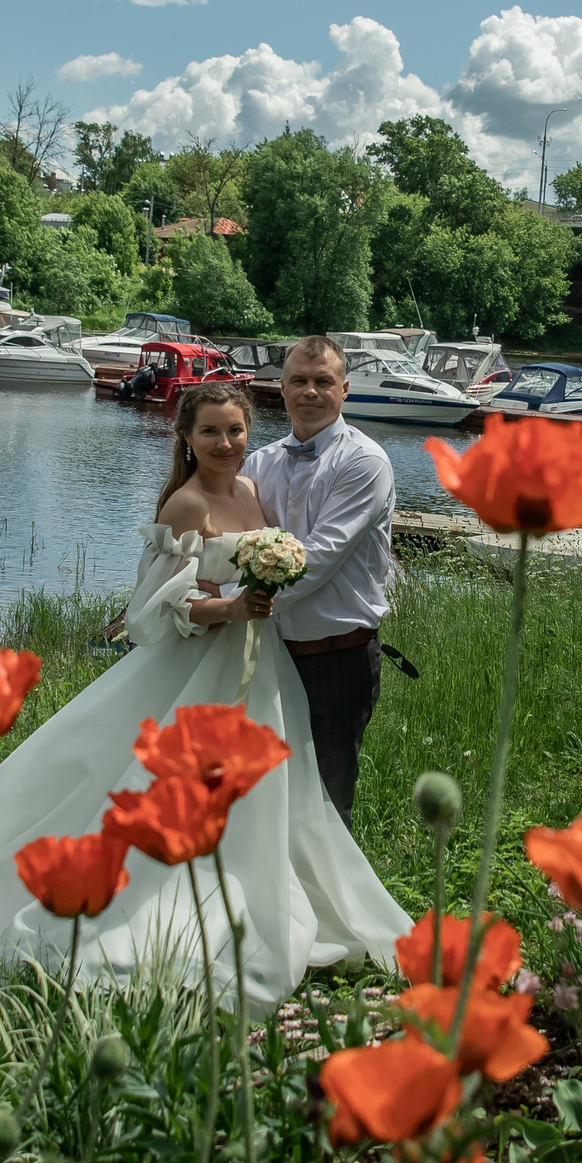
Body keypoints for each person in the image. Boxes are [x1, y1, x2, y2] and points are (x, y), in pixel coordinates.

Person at [0, 381, 408, 1017]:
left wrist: (263, 588)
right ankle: (136, 913)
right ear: (186, 438)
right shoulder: (185, 504)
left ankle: (256, 887)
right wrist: (230, 607)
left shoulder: (252, 490)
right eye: (210, 431)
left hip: (259, 665)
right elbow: (156, 607)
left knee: (264, 789)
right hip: (197, 665)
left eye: (235, 430)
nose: (225, 443)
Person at [239, 335, 396, 826]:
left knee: (326, 808)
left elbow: (320, 557)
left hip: (337, 660)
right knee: (263, 800)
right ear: (281, 388)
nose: (310, 391)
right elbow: (236, 546)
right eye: (299, 381)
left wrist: (230, 606)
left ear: (344, 389)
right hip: (267, 656)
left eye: (323, 381)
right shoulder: (257, 463)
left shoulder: (364, 462)